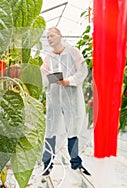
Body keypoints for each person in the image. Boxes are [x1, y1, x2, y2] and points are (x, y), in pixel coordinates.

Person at [40, 27, 90, 176]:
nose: (49, 39)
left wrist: (68, 81)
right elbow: (43, 78)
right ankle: (47, 163)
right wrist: (53, 79)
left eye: (52, 35)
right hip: (54, 97)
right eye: (47, 37)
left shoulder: (73, 52)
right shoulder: (48, 57)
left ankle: (75, 162)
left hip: (71, 96)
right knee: (51, 128)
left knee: (73, 128)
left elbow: (82, 71)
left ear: (60, 36)